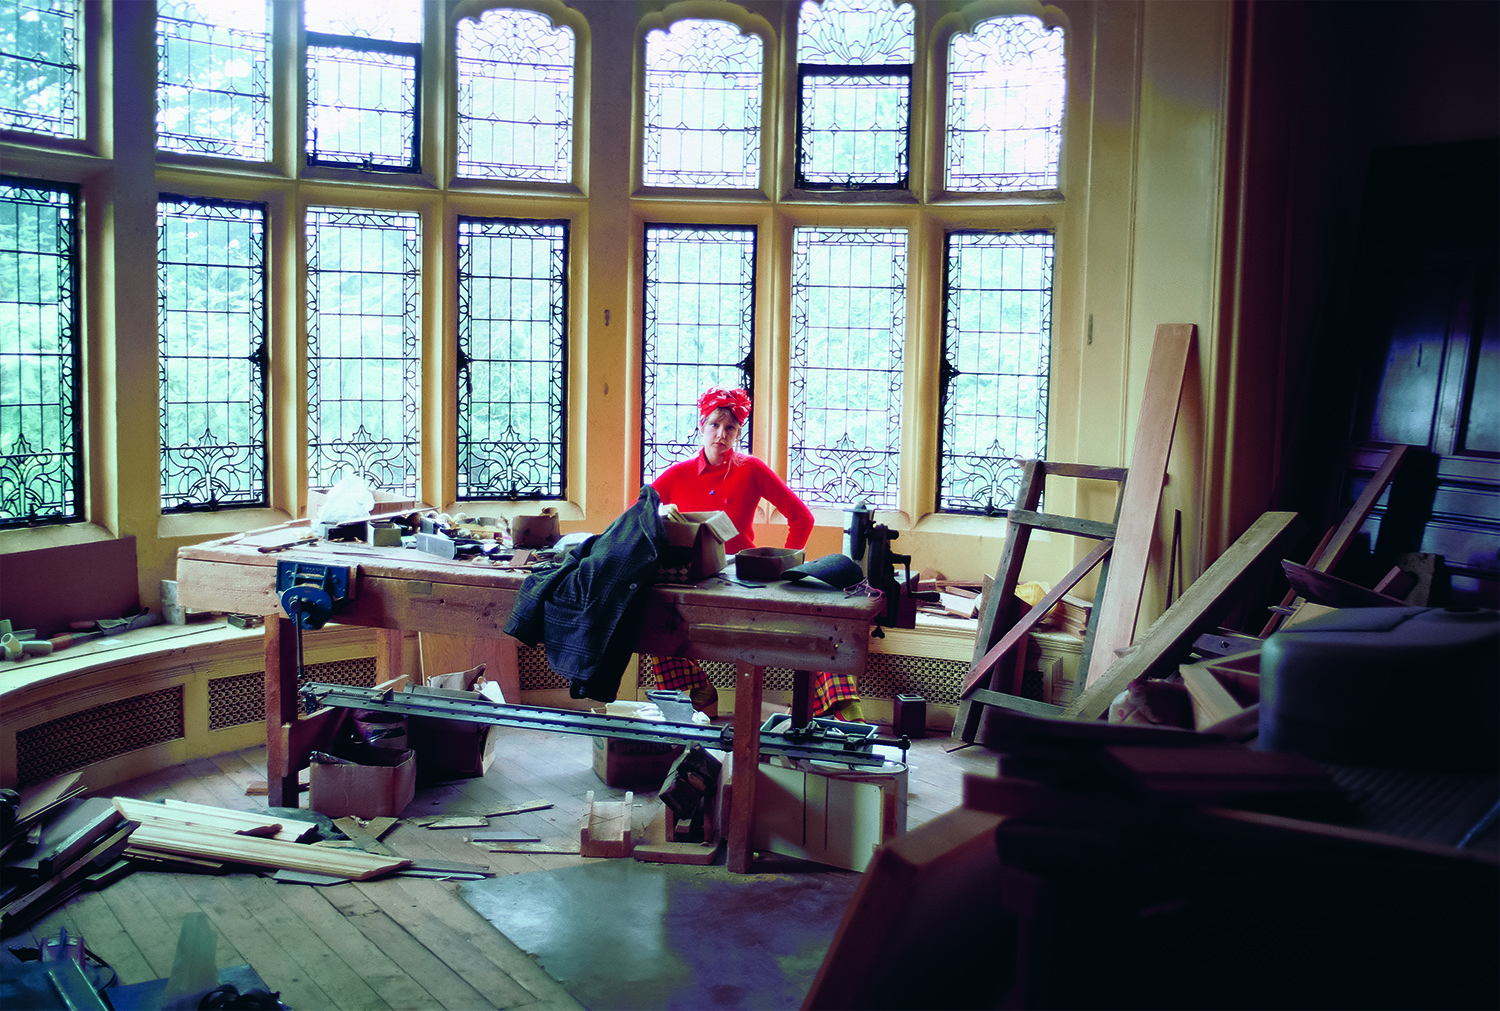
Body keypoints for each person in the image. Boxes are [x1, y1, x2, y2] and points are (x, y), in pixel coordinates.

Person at [650, 386, 864, 721]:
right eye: (715, 425)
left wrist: (788, 569)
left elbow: (801, 517)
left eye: (731, 428)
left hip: (744, 578)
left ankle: (842, 707)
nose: (721, 435)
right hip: (694, 581)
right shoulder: (677, 475)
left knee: (821, 627)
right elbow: (636, 513)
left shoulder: (751, 469)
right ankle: (697, 691)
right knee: (655, 620)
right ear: (701, 426)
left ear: (738, 433)